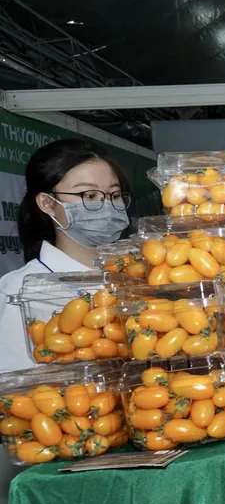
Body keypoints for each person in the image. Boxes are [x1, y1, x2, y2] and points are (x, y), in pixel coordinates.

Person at [0, 138, 131, 374]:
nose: (106, 206)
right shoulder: (18, 291)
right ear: (47, 204)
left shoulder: (137, 276)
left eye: (113, 195)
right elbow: (13, 389)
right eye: (89, 195)